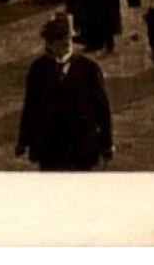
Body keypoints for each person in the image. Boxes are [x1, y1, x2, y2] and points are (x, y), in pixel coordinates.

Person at [16, 13, 114, 171]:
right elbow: (30, 107)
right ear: (49, 44)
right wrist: (23, 141)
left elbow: (102, 110)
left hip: (81, 147)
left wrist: (107, 144)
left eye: (67, 39)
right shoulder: (38, 69)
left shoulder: (89, 69)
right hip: (50, 148)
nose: (64, 44)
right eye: (58, 40)